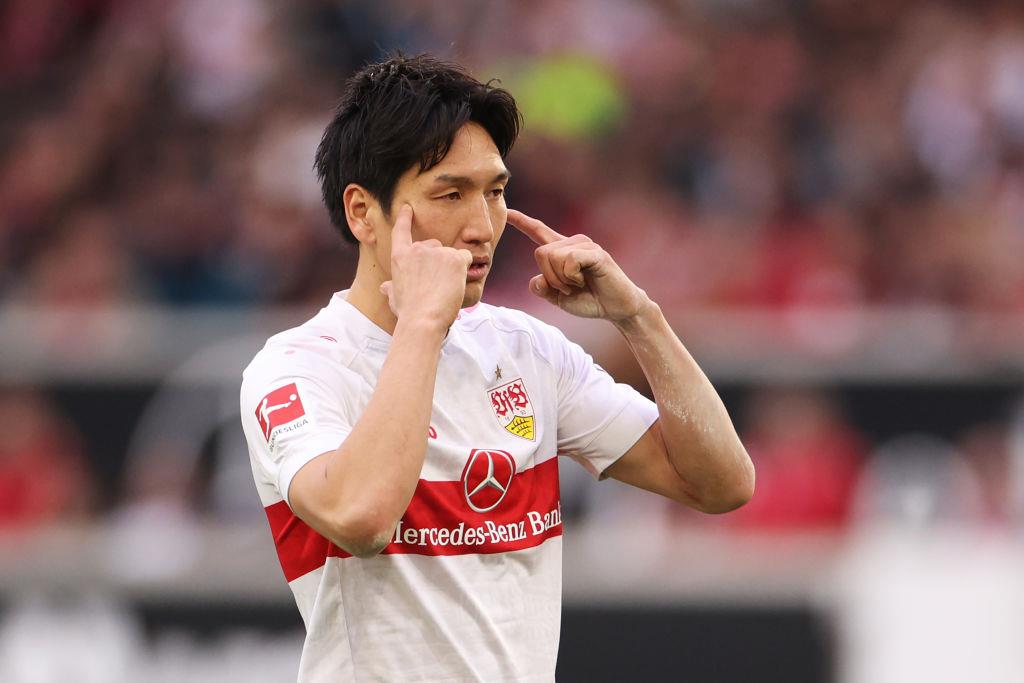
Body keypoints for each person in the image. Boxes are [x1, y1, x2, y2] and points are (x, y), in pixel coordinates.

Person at [240, 53, 754, 682]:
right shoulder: (298, 368)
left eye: (495, 192)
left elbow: (721, 484)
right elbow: (362, 518)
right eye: (450, 194)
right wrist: (422, 324)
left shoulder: (526, 350)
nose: (482, 227)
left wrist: (639, 317)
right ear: (362, 213)